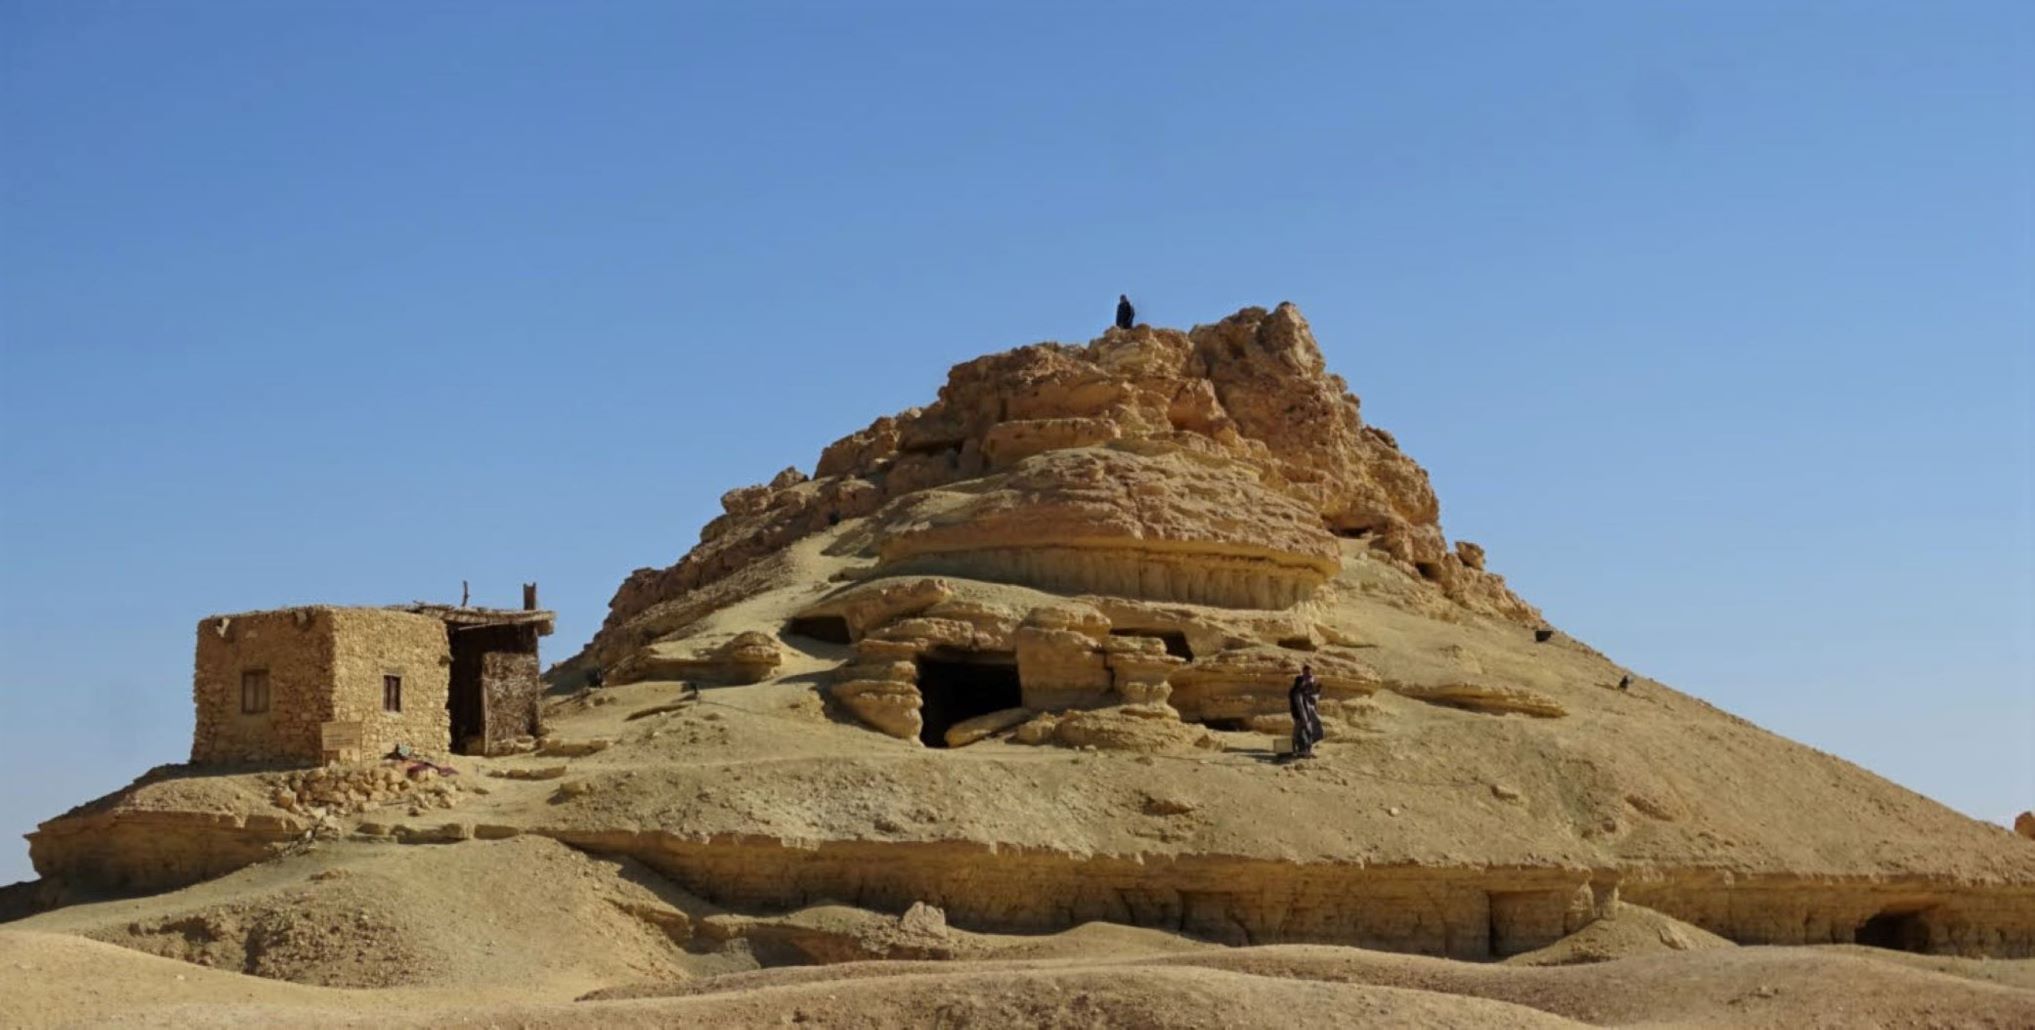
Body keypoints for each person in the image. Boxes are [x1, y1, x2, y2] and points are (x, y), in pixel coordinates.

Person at [1288, 664, 1323, 759]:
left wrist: (1316, 692)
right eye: (1306, 672)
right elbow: (1298, 704)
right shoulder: (1296, 691)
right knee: (1299, 732)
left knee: (1307, 732)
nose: (1308, 675)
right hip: (1300, 715)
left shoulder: (1312, 683)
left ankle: (1305, 751)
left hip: (1308, 713)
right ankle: (1298, 751)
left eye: (1309, 672)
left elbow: (1313, 698)